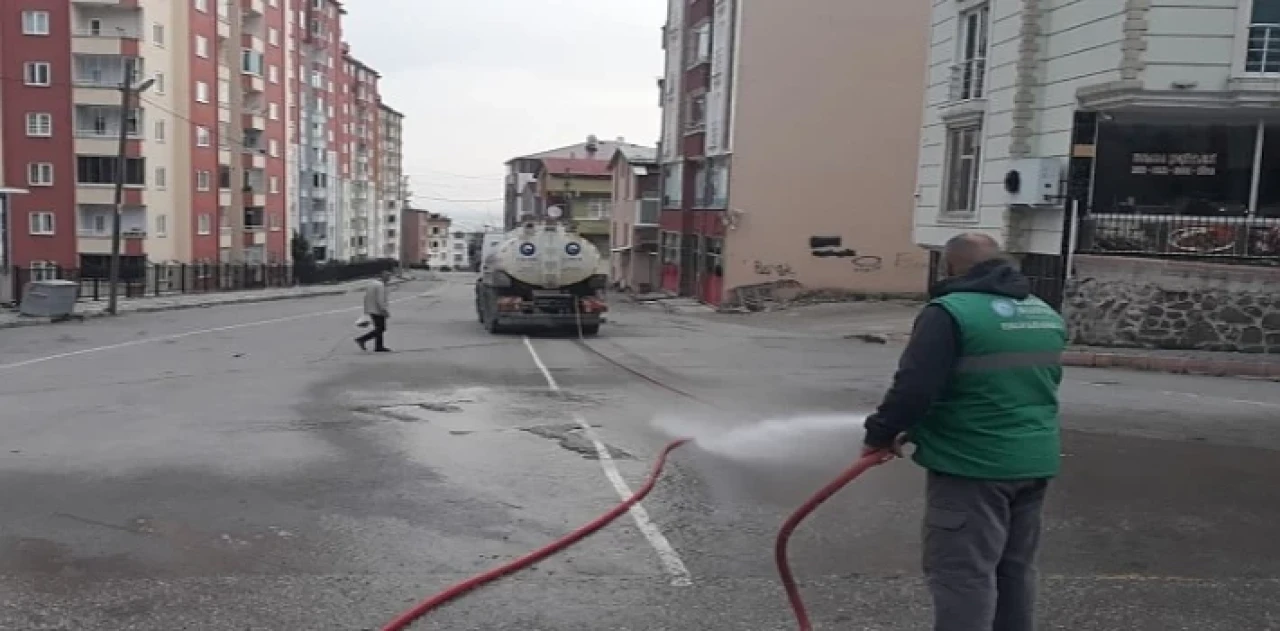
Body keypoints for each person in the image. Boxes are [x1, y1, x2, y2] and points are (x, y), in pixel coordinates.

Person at [861, 233, 1067, 631]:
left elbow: (915, 387)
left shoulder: (950, 312)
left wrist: (880, 434)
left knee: (962, 575)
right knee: (1014, 572)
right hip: (1034, 461)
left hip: (972, 467)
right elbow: (1006, 388)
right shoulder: (1043, 312)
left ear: (950, 266)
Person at [356, 271, 392, 352]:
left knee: (379, 328)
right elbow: (380, 300)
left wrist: (366, 310)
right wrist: (384, 310)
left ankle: (378, 346)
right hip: (378, 310)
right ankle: (362, 339)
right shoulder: (380, 286)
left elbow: (366, 297)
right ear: (383, 277)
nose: (389, 279)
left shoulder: (372, 283)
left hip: (371, 309)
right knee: (381, 328)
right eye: (388, 277)